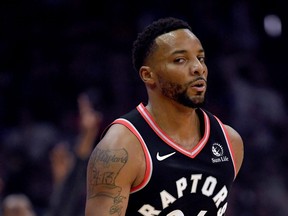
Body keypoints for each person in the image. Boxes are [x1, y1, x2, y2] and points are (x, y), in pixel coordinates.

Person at [85, 17, 244, 216]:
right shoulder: (120, 149)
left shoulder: (230, 143)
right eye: (180, 60)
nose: (198, 68)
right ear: (148, 75)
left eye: (200, 58)